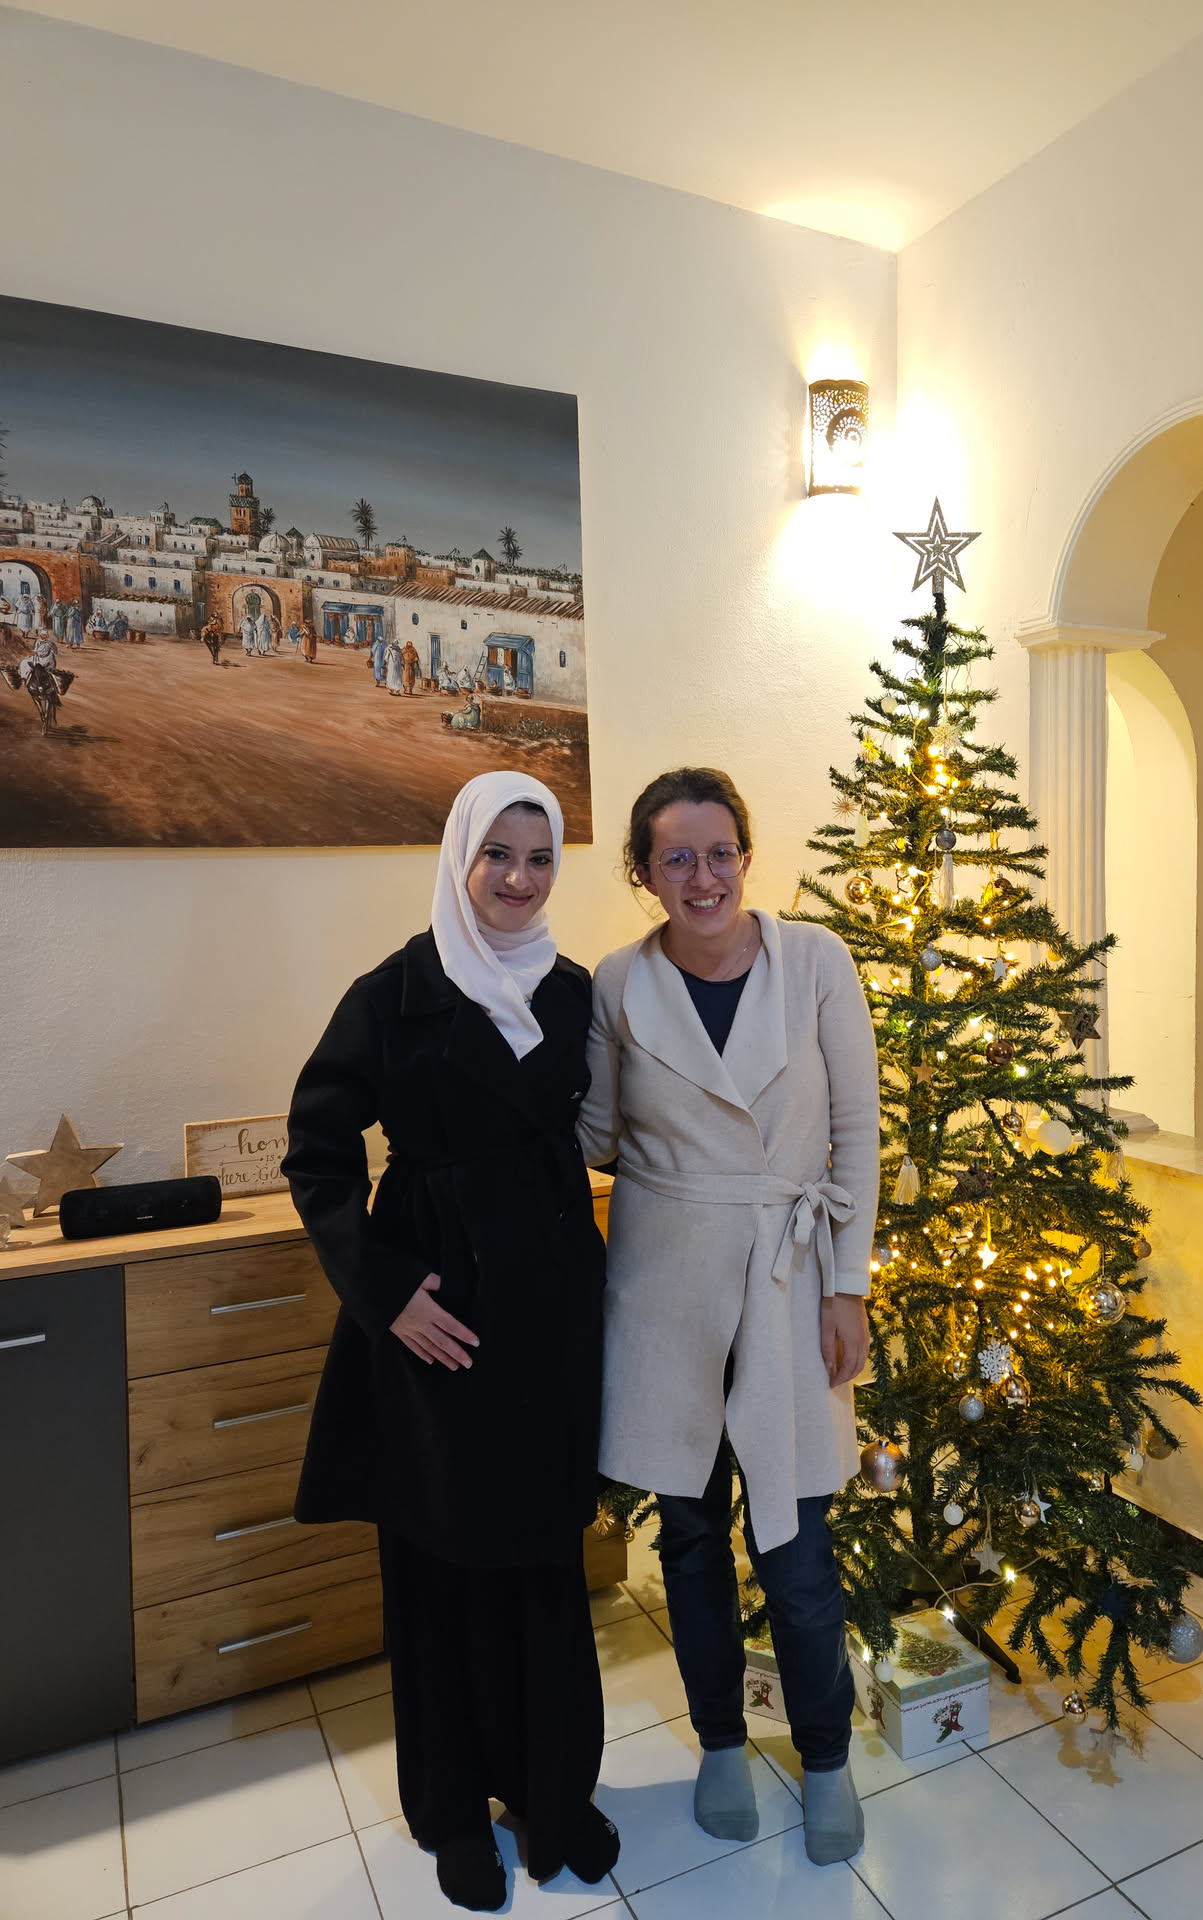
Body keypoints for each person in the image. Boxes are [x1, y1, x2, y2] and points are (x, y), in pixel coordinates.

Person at [282, 772, 615, 1912]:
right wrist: (387, 1296)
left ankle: (554, 1792)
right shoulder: (394, 993)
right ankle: (453, 1810)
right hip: (436, 1319)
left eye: (540, 857)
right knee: (440, 1567)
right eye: (498, 855)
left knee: (544, 1561)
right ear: (460, 858)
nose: (520, 878)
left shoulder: (573, 992)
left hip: (550, 1314)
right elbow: (316, 1154)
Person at [580, 766, 879, 1868]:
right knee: (693, 1534)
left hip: (790, 1277)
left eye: (720, 853)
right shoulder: (619, 982)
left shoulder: (816, 962)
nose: (702, 877)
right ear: (644, 873)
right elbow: (593, 1132)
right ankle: (719, 1742)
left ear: (747, 857)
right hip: (665, 1285)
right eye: (677, 858)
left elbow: (858, 1129)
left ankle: (827, 1756)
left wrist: (847, 1284)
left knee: (797, 1544)